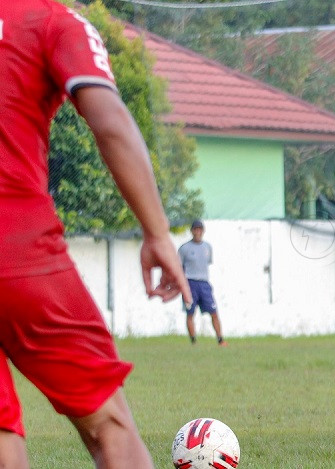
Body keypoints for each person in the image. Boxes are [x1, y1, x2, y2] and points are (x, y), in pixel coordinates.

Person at [0, 1, 191, 468]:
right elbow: (111, 123)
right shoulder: (51, 21)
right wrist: (158, 234)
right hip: (17, 249)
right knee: (109, 426)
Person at [178, 220, 228, 346]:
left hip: (204, 283)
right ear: (192, 231)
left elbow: (207, 263)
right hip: (190, 283)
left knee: (213, 312)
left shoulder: (207, 247)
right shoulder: (184, 248)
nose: (198, 232)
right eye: (195, 229)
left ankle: (220, 339)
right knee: (190, 313)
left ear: (203, 231)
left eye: (200, 229)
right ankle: (193, 341)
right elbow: (179, 267)